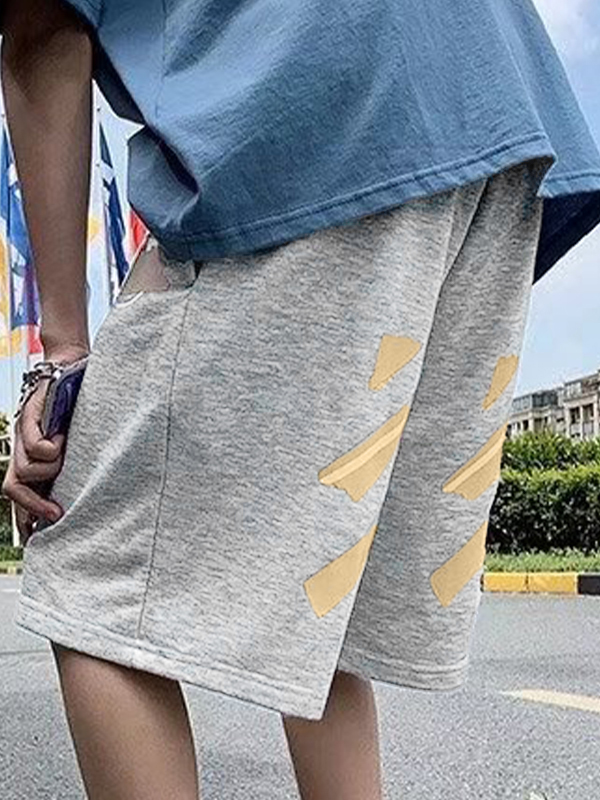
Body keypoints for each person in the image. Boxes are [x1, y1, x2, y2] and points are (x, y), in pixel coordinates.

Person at [1, 1, 600, 798]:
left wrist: (61, 355)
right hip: (496, 113)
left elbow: (43, 31)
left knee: (88, 562)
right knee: (328, 575)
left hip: (314, 95)